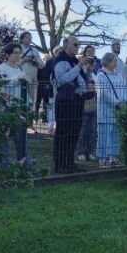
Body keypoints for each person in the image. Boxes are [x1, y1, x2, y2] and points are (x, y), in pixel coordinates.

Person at [52, 36, 87, 173]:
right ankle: (61, 165)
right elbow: (62, 80)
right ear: (66, 45)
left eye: (79, 44)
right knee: (64, 133)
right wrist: (78, 67)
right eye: (75, 44)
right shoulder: (61, 60)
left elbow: (80, 80)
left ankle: (70, 163)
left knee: (74, 134)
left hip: (77, 100)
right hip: (65, 101)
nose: (78, 47)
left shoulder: (75, 61)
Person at [0, 42, 30, 167]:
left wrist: (29, 102)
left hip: (19, 108)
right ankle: (4, 165)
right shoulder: (1, 68)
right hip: (6, 107)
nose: (18, 55)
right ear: (7, 54)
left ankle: (24, 162)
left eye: (19, 53)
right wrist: (18, 79)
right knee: (4, 138)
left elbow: (24, 88)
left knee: (21, 137)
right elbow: (1, 84)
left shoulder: (20, 69)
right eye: (15, 53)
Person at [96, 52, 127, 167]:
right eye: (114, 61)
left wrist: (125, 101)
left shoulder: (118, 75)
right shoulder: (101, 75)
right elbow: (104, 93)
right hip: (106, 110)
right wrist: (117, 103)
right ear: (107, 62)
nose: (115, 63)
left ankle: (113, 157)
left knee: (116, 135)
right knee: (104, 135)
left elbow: (125, 88)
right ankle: (102, 159)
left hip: (118, 110)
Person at [75, 55, 98, 162]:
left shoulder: (95, 75)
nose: (89, 65)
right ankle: (81, 152)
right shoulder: (80, 74)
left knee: (93, 131)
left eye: (91, 63)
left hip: (94, 105)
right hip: (83, 106)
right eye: (86, 62)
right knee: (83, 131)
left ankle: (91, 152)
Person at [19, 32, 43, 109]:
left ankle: (29, 115)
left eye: (30, 37)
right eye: (27, 37)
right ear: (22, 39)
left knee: (32, 100)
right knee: (20, 99)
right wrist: (24, 59)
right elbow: (13, 63)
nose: (29, 39)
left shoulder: (35, 50)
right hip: (20, 78)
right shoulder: (17, 49)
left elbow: (42, 66)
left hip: (33, 79)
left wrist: (35, 60)